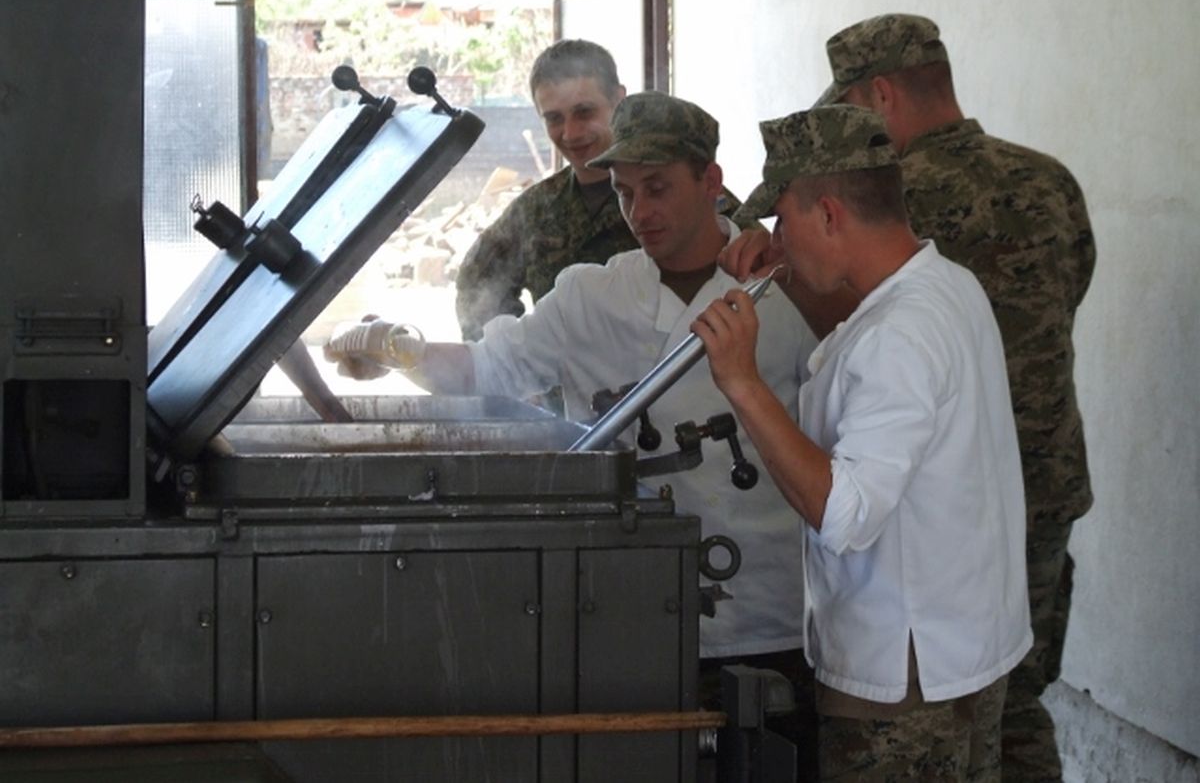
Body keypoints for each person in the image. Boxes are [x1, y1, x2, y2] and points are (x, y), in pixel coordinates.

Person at [328, 91, 820, 778]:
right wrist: (396, 347)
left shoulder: (787, 288)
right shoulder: (591, 295)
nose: (639, 212)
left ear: (710, 180)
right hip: (628, 615)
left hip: (772, 616)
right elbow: (487, 370)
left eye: (658, 188)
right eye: (624, 193)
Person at [693, 104, 1032, 781]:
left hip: (904, 686)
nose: (776, 238)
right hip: (962, 648)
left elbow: (845, 514)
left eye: (782, 221)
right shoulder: (945, 284)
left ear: (828, 214)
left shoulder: (898, 334)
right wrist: (791, 270)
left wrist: (742, 382)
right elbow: (866, 347)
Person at [812, 14, 1096, 782]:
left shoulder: (897, 199)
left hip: (943, 502)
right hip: (1045, 478)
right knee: (1016, 694)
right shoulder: (1049, 180)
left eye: (850, 109)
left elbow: (849, 313)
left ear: (880, 93)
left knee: (951, 705)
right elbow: (1073, 290)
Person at [454, 39, 745, 343]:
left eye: (584, 112)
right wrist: (519, 358)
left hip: (669, 368)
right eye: (554, 118)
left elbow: (760, 264)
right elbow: (476, 281)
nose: (571, 133)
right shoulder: (536, 209)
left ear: (618, 100)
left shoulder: (689, 195)